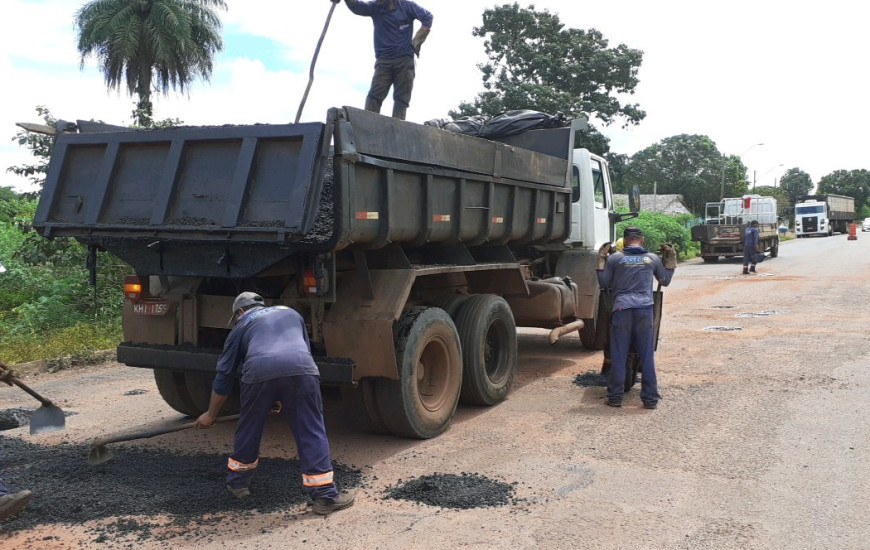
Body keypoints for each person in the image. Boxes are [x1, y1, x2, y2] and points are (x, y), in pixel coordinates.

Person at [194, 292, 354, 515]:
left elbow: (224, 377)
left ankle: (238, 484)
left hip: (259, 370)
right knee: (310, 429)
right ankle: (325, 497)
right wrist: (278, 396)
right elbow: (294, 354)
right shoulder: (291, 313)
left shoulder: (241, 326)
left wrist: (210, 414)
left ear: (240, 312)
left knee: (249, 427)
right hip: (302, 368)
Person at [596, 227, 675, 409]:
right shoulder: (652, 258)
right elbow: (665, 281)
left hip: (621, 310)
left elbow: (603, 283)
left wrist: (601, 259)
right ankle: (650, 400)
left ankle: (615, 398)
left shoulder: (615, 259)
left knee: (619, 355)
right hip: (644, 311)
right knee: (646, 356)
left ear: (624, 240)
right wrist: (670, 259)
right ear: (642, 240)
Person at [344, 0, 433, 120]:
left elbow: (428, 17)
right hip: (383, 61)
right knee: (374, 96)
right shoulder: (375, 7)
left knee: (401, 99)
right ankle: (368, 125)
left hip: (404, 60)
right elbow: (357, 7)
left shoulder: (407, 6)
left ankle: (398, 127)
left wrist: (417, 41)